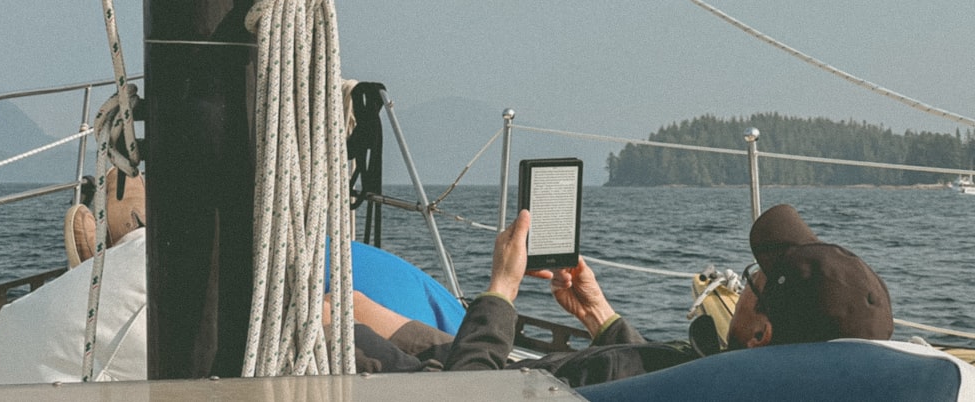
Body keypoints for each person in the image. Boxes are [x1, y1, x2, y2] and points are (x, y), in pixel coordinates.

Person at [340, 203, 895, 387]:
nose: (740, 282)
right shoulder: (735, 379)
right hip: (502, 372)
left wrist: (501, 290)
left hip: (480, 386)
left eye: (751, 281)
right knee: (359, 306)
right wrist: (600, 316)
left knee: (325, 316)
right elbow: (649, 372)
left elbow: (469, 401)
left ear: (761, 333)